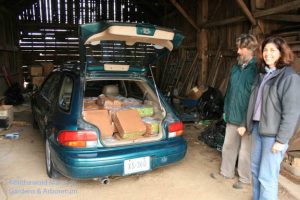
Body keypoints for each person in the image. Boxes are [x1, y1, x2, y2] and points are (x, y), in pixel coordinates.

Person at [241, 36, 300, 200]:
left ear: (282, 53)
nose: (268, 53)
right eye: (265, 50)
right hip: (259, 130)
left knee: (267, 176)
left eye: (273, 50)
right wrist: (246, 123)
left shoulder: (289, 77)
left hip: (273, 135)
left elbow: (292, 112)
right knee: (255, 170)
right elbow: (254, 103)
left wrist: (281, 140)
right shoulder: (263, 75)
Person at [210, 33, 258, 189]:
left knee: (245, 152)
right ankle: (226, 172)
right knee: (228, 146)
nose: (238, 52)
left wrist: (248, 119)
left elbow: (256, 98)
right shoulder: (236, 68)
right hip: (232, 115)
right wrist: (225, 109)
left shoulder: (257, 70)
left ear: (250, 49)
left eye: (241, 48)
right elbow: (229, 90)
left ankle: (244, 179)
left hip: (247, 118)